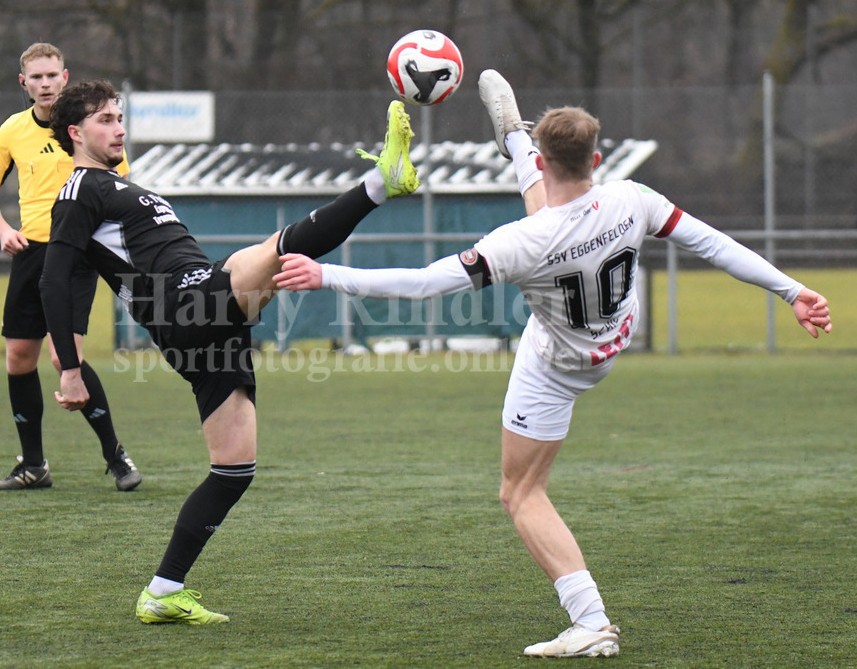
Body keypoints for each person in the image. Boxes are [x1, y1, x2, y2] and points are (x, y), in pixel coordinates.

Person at [275, 69, 833, 657]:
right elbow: (714, 244)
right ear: (597, 159)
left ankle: (590, 621)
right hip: (613, 336)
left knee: (520, 493)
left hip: (557, 365)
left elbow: (424, 283)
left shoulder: (519, 242)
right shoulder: (632, 198)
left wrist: (326, 273)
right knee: (549, 220)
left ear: (546, 163)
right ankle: (516, 137)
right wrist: (793, 291)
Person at [39, 79, 421, 624]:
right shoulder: (79, 190)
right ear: (75, 133)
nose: (119, 128)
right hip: (183, 307)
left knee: (234, 469)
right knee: (270, 252)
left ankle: (163, 592)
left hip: (206, 318)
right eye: (105, 120)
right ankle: (380, 183)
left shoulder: (118, 185)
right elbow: (55, 278)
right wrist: (71, 368)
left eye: (120, 117)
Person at [0, 43, 141, 492]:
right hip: (31, 252)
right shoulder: (12, 130)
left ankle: (116, 456)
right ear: (23, 83)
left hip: (77, 254)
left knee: (63, 355)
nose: (45, 83)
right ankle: (33, 465)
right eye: (37, 77)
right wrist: (3, 230)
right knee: (19, 356)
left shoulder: (86, 128)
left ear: (65, 77)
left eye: (52, 75)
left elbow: (119, 183)